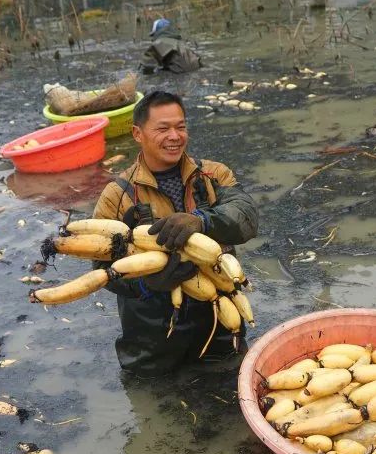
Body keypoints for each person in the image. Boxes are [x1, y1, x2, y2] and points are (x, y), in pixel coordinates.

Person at [92, 90, 258, 374]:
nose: (175, 136)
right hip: (152, 338)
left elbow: (246, 217)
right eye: (163, 128)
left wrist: (202, 220)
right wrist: (148, 284)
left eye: (181, 127)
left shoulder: (213, 175)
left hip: (219, 322)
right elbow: (102, 267)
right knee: (155, 407)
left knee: (231, 394)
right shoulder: (116, 195)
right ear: (137, 134)